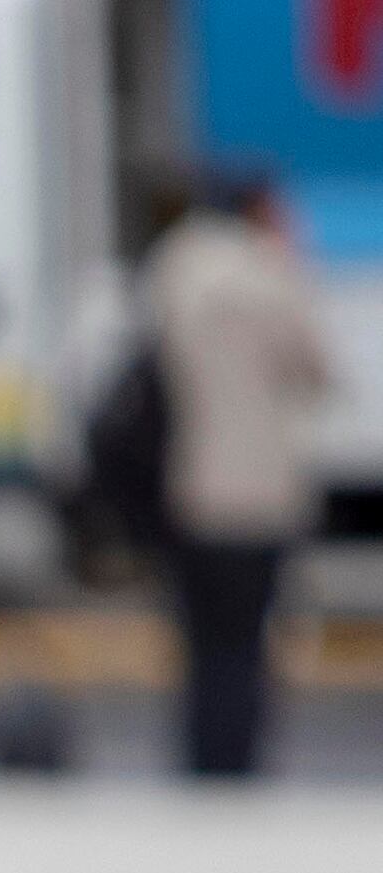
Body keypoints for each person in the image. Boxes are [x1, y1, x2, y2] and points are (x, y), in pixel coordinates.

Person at [143, 166, 333, 778]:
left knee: (199, 640)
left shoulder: (173, 268)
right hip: (260, 491)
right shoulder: (269, 271)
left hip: (188, 482)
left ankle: (202, 759)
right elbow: (317, 371)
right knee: (249, 639)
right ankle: (240, 761)